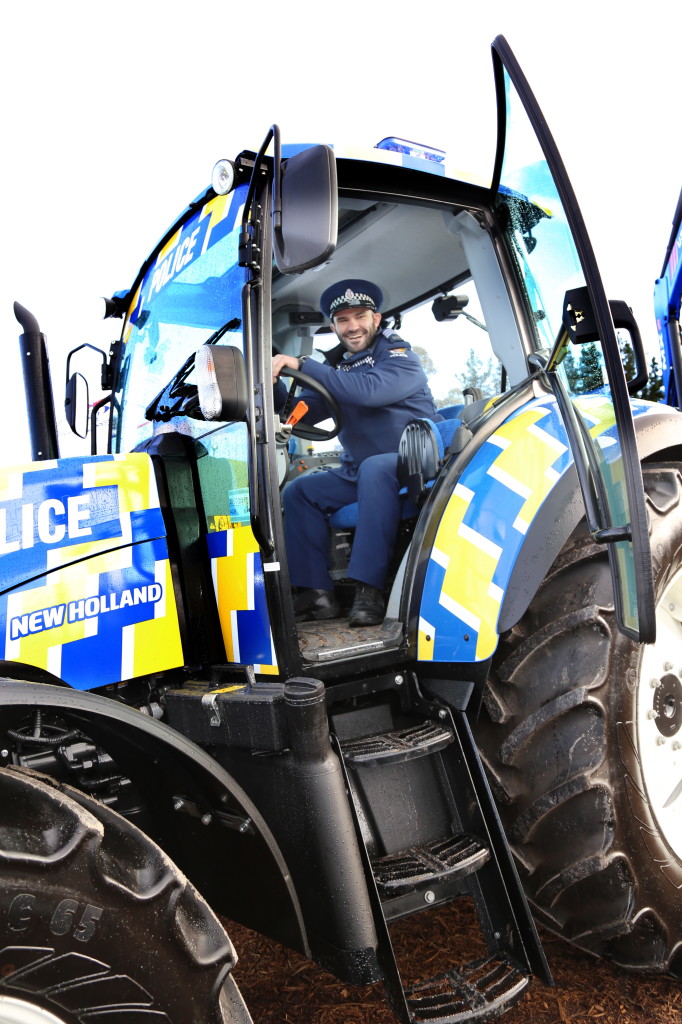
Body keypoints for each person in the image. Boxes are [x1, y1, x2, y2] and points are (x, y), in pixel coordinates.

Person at [272, 279, 442, 627]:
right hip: (361, 469)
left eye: (360, 316)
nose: (352, 326)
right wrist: (272, 378)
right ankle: (315, 594)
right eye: (343, 320)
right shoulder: (337, 372)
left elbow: (369, 391)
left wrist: (304, 365)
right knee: (301, 491)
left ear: (376, 319)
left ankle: (369, 589)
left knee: (376, 468)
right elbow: (296, 412)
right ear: (333, 327)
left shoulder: (400, 357)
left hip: (415, 460)